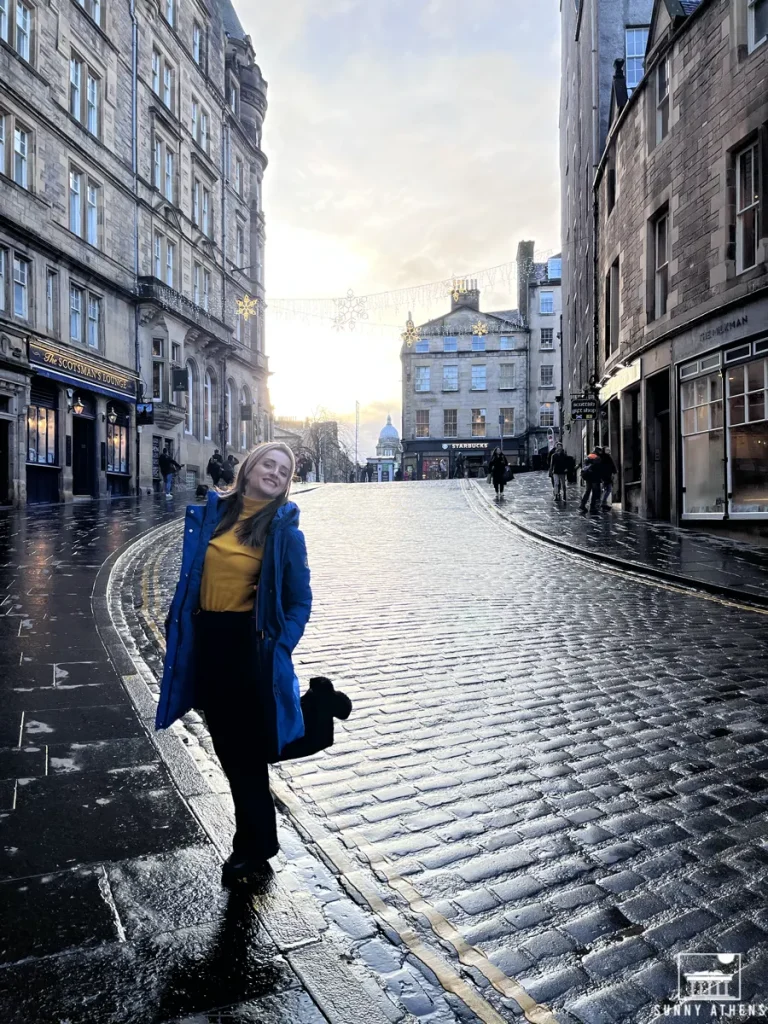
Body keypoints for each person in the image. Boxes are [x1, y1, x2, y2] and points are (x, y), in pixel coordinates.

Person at [157, 442, 312, 886]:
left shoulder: (283, 532)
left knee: (243, 755)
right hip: (206, 644)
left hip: (246, 648)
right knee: (230, 750)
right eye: (269, 463)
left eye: (284, 471)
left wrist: (279, 647)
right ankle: (256, 841)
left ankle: (253, 850)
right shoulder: (214, 514)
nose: (275, 473)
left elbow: (300, 601)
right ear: (249, 468)